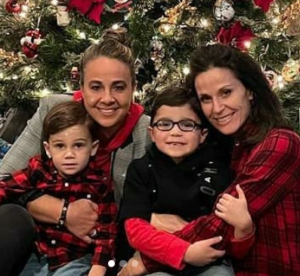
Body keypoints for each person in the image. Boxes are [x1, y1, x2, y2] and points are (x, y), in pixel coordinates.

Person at [122, 44, 300, 276]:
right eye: (206, 98)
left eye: (226, 92)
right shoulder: (230, 146)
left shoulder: (280, 143)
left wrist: (145, 260)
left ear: (250, 90)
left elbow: (220, 224)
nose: (217, 108)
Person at [0, 27, 151, 273]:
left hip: (101, 255)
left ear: (133, 88)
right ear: (81, 85)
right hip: (40, 246)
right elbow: (5, 179)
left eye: (119, 87)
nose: (107, 98)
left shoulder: (147, 133)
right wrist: (62, 211)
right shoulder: (56, 111)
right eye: (95, 87)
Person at [119, 86, 255, 276]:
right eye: (165, 124)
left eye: (187, 124)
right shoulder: (140, 169)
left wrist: (244, 229)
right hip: (157, 259)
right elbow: (135, 229)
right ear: (152, 133)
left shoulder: (219, 171)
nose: (175, 132)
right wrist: (184, 252)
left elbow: (228, 236)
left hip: (209, 262)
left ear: (203, 135)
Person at [0, 101, 118, 276]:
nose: (69, 154)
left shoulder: (99, 183)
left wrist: (98, 269)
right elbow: (6, 187)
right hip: (37, 256)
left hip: (75, 260)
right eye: (60, 146)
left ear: (93, 148)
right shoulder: (38, 170)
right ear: (48, 149)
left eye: (78, 145)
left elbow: (108, 233)